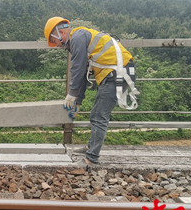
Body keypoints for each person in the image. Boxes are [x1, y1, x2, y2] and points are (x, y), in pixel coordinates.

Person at [43, 17, 139, 164]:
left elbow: (78, 69)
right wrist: (77, 100)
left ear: (60, 33)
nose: (55, 46)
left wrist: (72, 93)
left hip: (117, 73)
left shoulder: (77, 37)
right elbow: (83, 74)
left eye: (53, 41)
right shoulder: (80, 38)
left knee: (99, 115)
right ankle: (90, 148)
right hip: (117, 72)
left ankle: (91, 159)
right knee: (96, 114)